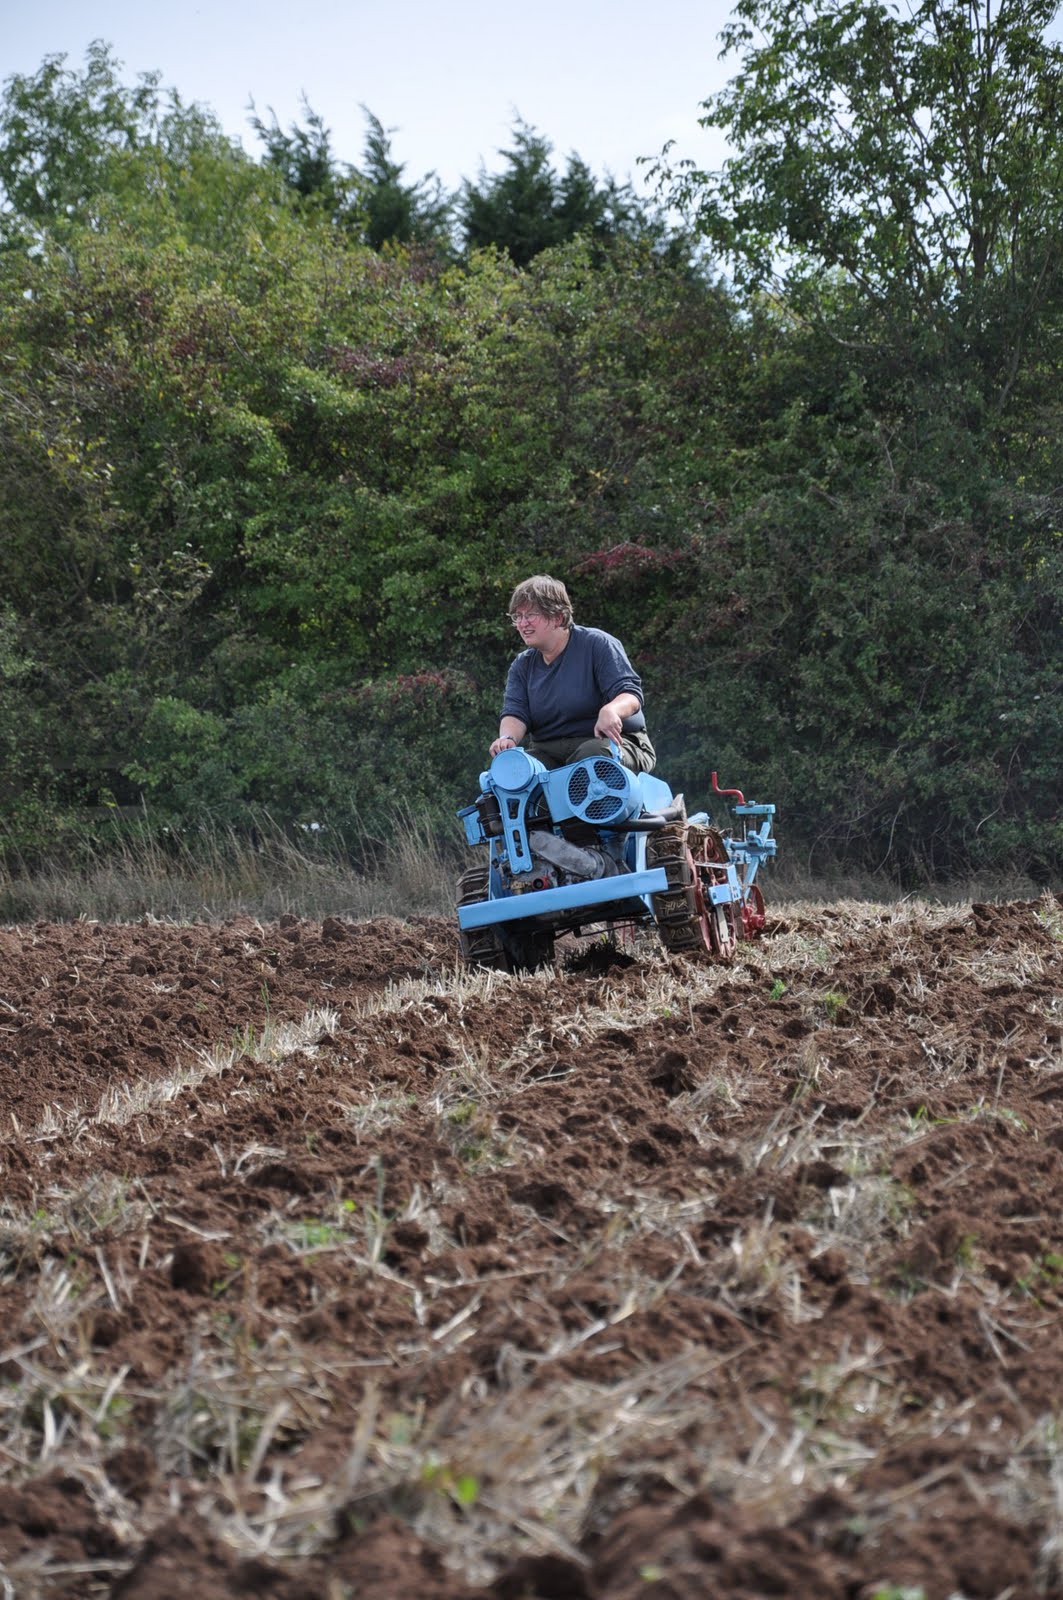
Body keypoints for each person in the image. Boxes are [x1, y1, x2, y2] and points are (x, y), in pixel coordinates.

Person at [489, 575, 656, 772]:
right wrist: (507, 739)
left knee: (591, 758)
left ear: (558, 617)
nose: (522, 623)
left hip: (613, 744)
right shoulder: (522, 665)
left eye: (531, 615)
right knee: (511, 771)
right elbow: (515, 712)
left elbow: (630, 694)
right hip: (549, 753)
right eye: (518, 616)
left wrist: (611, 710)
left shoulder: (597, 644)